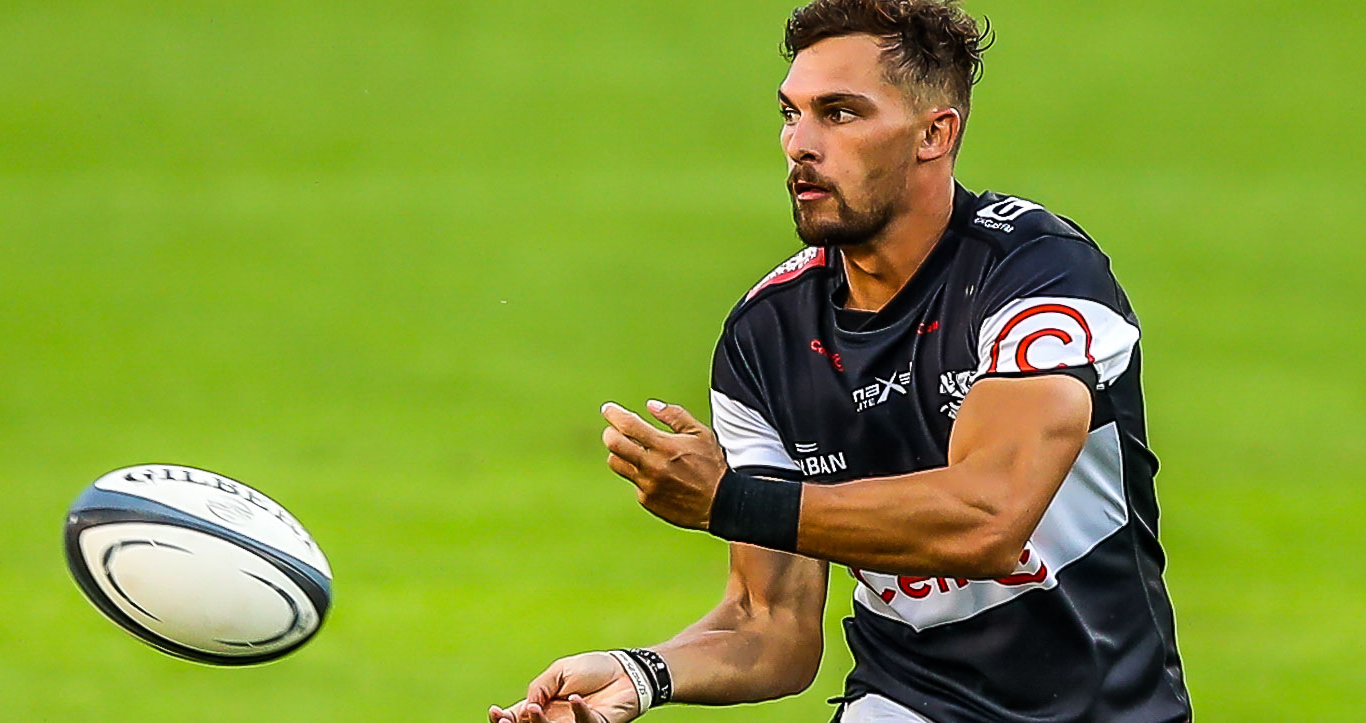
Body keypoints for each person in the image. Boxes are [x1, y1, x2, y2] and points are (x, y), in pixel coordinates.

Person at [489, 0, 1190, 720]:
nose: (800, 144)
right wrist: (639, 674)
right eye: (791, 113)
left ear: (934, 133)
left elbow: (988, 517)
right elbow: (770, 625)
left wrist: (730, 500)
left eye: (840, 113)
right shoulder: (768, 338)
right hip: (908, 702)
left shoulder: (1037, 275)